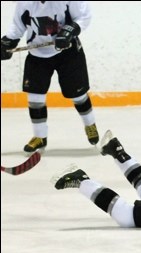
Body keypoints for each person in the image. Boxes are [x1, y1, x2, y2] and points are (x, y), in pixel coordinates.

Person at [1, 1, 99, 154]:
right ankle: (40, 137)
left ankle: (90, 125)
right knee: (35, 96)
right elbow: (18, 25)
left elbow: (83, 16)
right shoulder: (25, 2)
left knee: (78, 94)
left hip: (68, 52)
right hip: (37, 54)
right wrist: (7, 42)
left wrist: (69, 30)